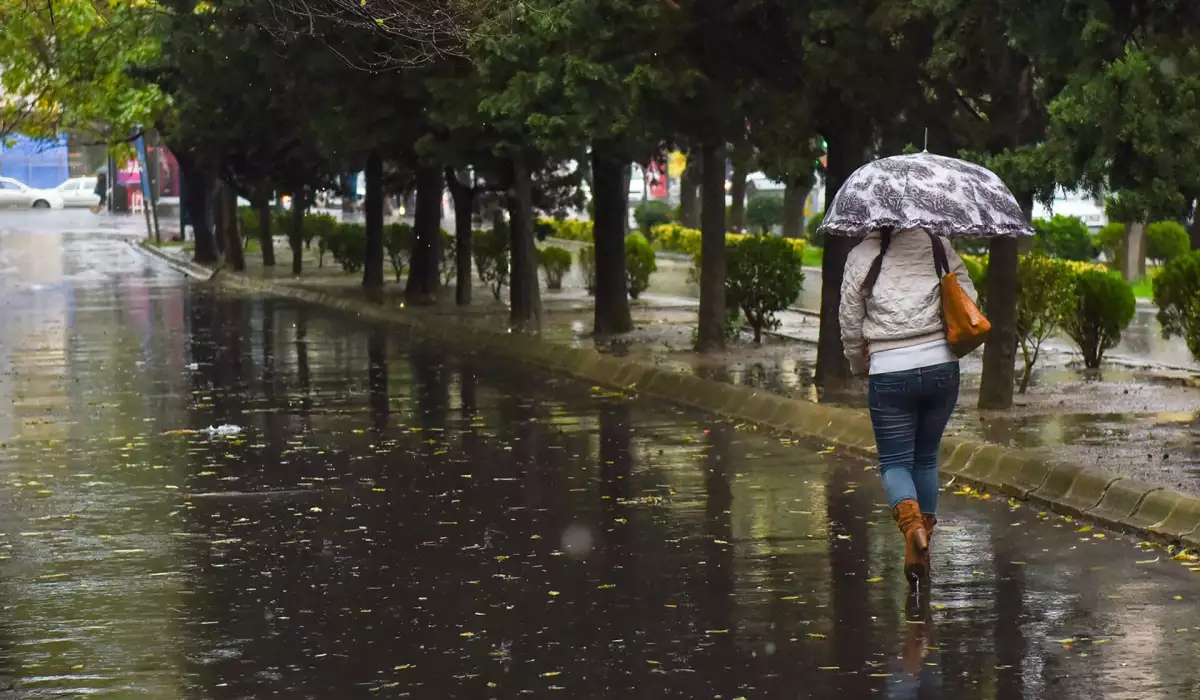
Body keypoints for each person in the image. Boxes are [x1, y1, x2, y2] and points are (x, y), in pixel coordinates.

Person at [838, 226, 978, 584]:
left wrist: (859, 364)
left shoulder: (861, 256)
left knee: (895, 462)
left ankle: (912, 525)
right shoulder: (938, 246)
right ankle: (921, 545)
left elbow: (850, 322)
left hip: (889, 371)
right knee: (926, 457)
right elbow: (968, 296)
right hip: (941, 369)